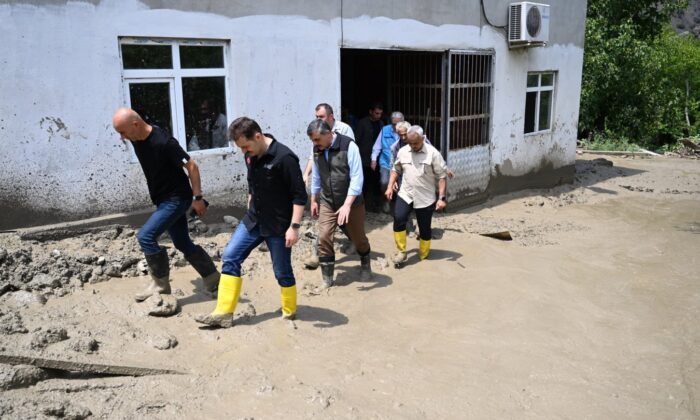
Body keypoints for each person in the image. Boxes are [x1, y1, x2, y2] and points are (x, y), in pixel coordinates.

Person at [196, 117, 307, 328]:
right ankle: (224, 313)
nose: (244, 152)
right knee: (230, 256)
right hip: (254, 220)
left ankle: (289, 312)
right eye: (240, 148)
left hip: (278, 225)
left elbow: (299, 196)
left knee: (281, 271)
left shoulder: (285, 158)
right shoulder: (250, 155)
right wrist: (250, 200)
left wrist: (294, 227)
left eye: (246, 146)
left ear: (258, 137)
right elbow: (251, 182)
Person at [111, 108, 220, 302]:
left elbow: (192, 166)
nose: (122, 138)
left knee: (146, 236)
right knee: (182, 242)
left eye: (123, 132)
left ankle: (160, 286)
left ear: (135, 125)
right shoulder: (137, 138)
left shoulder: (164, 142)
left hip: (177, 199)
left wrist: (198, 198)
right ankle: (213, 279)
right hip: (163, 199)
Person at [308, 119, 372, 287]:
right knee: (324, 237)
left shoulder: (349, 146)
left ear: (329, 134)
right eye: (313, 140)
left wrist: (347, 205)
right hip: (328, 201)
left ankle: (365, 263)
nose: (315, 144)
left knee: (358, 239)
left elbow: (357, 179)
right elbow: (316, 175)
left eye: (317, 140)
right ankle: (327, 280)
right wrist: (314, 199)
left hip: (352, 202)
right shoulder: (317, 149)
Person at [302, 103, 356, 270]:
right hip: (327, 187)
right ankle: (317, 254)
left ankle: (357, 242)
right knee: (325, 225)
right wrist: (306, 174)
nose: (318, 119)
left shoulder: (344, 130)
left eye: (321, 117)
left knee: (345, 220)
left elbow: (350, 156)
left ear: (331, 116)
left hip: (343, 184)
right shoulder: (317, 134)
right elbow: (314, 158)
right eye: (316, 116)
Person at [385, 125, 448, 266]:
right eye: (410, 143)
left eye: (416, 143)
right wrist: (390, 186)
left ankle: (424, 254)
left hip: (425, 197)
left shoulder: (433, 153)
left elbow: (442, 176)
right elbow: (396, 169)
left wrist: (441, 198)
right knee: (399, 218)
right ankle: (401, 252)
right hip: (406, 193)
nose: (413, 146)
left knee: (424, 228)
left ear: (423, 139)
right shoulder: (402, 151)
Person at [371, 111, 404, 213]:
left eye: (398, 124)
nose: (396, 126)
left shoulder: (405, 131)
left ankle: (400, 206)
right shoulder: (385, 130)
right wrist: (373, 159)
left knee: (401, 185)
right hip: (385, 162)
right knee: (384, 182)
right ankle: (386, 200)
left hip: (401, 164)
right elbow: (377, 146)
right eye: (394, 124)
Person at [354, 102, 384, 211]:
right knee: (364, 182)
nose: (378, 116)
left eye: (380, 114)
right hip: (364, 158)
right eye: (376, 113)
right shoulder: (362, 123)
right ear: (370, 112)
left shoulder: (381, 124)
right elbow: (356, 140)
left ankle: (376, 205)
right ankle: (362, 206)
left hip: (377, 158)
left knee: (376, 182)